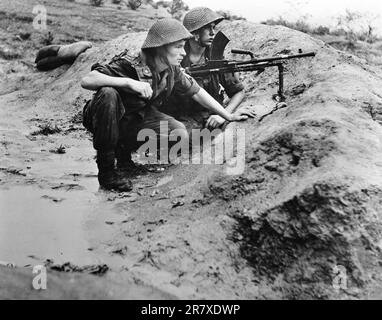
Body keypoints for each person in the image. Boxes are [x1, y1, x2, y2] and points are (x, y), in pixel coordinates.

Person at [81, 18, 253, 192]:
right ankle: (107, 171)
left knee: (178, 134)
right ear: (160, 47)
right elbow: (88, 80)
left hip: (134, 119)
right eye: (178, 47)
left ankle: (124, 156)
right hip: (105, 116)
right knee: (108, 93)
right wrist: (128, 83)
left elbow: (197, 93)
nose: (183, 53)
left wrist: (227, 115)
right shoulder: (128, 63)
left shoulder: (172, 69)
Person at [161, 7, 255, 130]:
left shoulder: (215, 57)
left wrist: (224, 115)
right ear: (195, 34)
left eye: (213, 27)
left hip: (210, 116)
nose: (212, 33)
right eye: (207, 28)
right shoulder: (178, 56)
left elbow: (238, 91)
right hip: (181, 117)